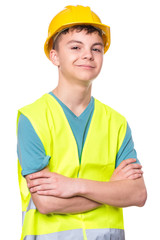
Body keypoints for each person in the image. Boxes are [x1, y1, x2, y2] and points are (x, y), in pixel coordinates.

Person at [17, 5, 147, 240]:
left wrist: (74, 186)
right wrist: (111, 188)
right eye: (76, 47)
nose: (88, 54)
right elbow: (45, 202)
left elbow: (137, 194)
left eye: (96, 48)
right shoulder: (32, 118)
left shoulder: (116, 123)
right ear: (54, 56)